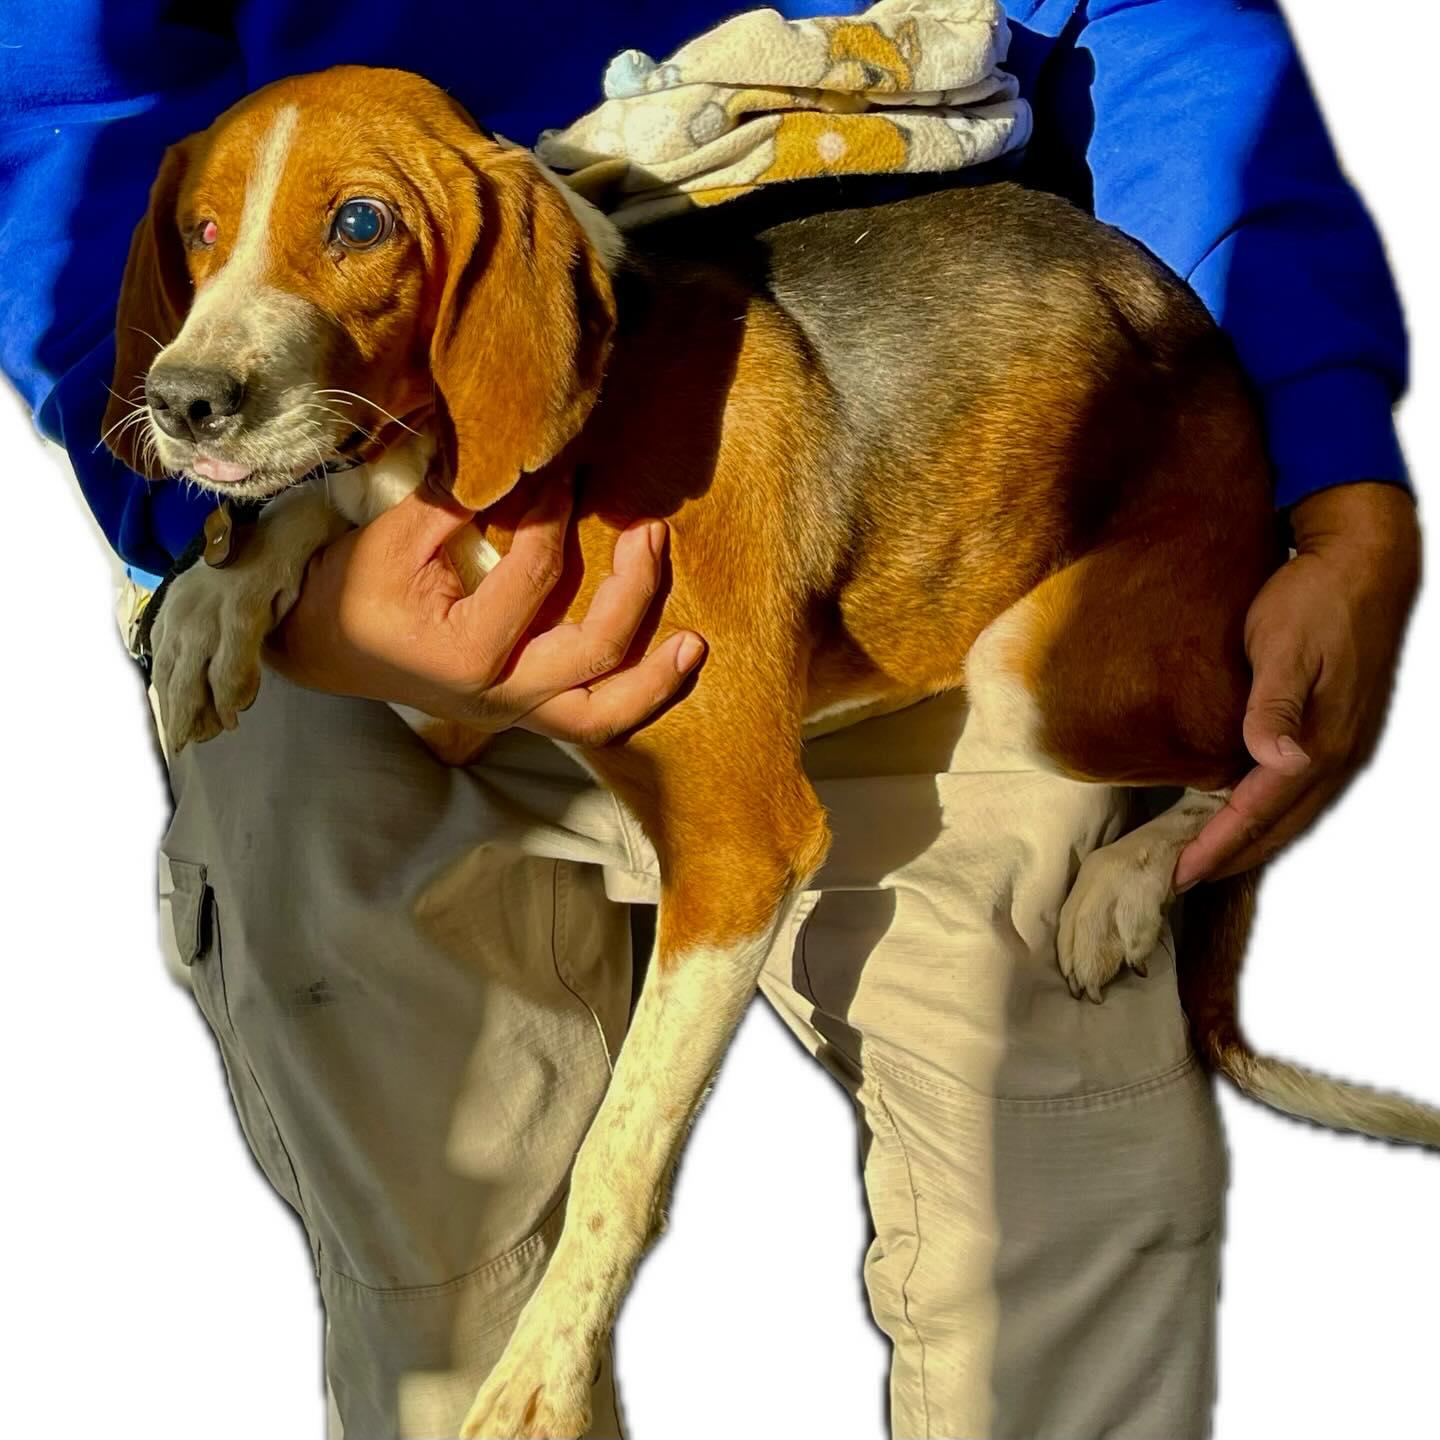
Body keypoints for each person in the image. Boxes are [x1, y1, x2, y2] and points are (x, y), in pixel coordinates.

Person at [0, 2, 1420, 1437]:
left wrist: (1337, 483)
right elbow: (67, 107)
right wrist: (215, 546)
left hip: (925, 438)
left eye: (353, 225)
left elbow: (1161, 39)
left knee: (1055, 1211)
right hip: (364, 482)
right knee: (428, 1254)